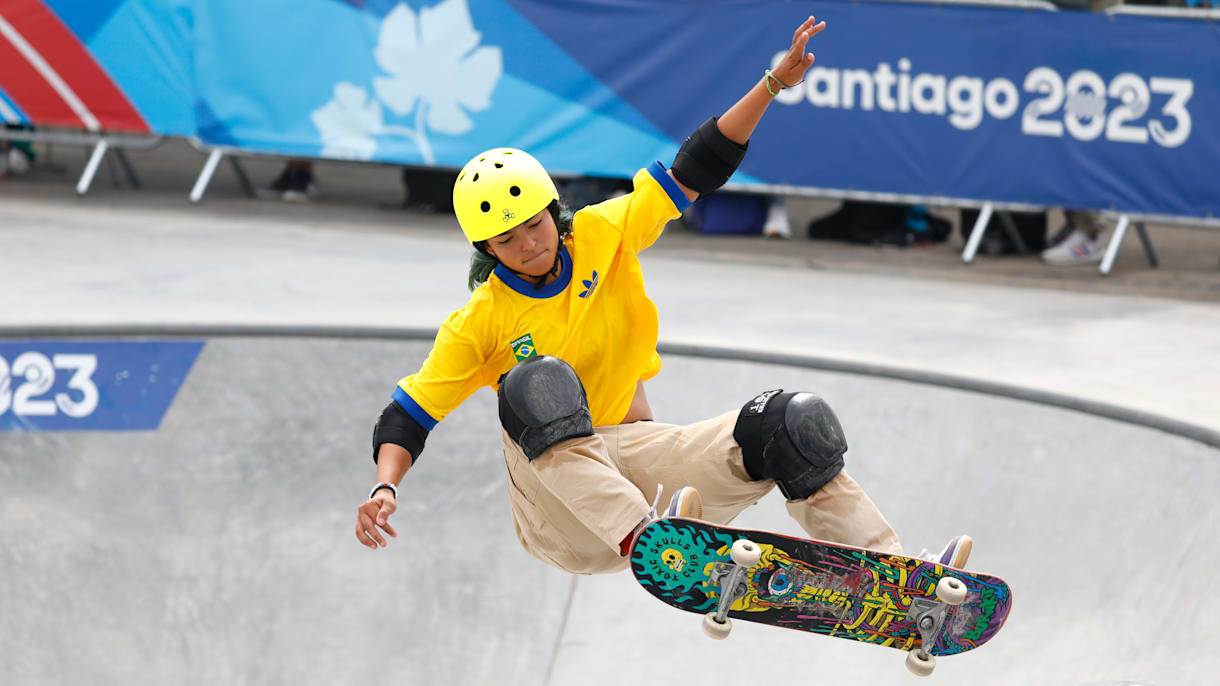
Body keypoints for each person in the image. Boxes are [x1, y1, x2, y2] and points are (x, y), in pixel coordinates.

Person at [354, 16, 971, 574]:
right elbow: (407, 416)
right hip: (556, 508)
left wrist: (773, 84)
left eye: (535, 226)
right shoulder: (479, 321)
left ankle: (898, 577)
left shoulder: (603, 232)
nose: (530, 247)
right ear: (487, 251)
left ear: (554, 212)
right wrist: (386, 489)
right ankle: (651, 542)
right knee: (536, 384)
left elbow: (695, 169)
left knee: (789, 420)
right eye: (507, 241)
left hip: (638, 463)